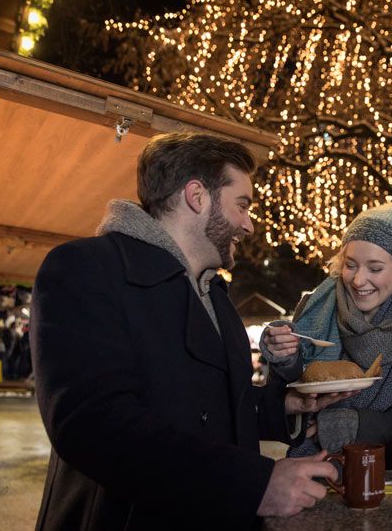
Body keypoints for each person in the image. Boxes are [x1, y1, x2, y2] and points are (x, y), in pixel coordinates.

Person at [30, 133, 349, 530]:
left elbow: (208, 403)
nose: (249, 225)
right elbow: (92, 424)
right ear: (197, 196)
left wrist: (284, 405)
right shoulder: (85, 268)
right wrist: (252, 483)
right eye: (242, 205)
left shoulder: (215, 295)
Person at [260, 202, 392, 468]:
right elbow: (283, 402)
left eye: (375, 269)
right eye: (350, 265)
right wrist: (286, 358)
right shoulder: (314, 309)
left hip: (389, 477)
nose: (358, 280)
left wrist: (357, 424)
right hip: (309, 471)